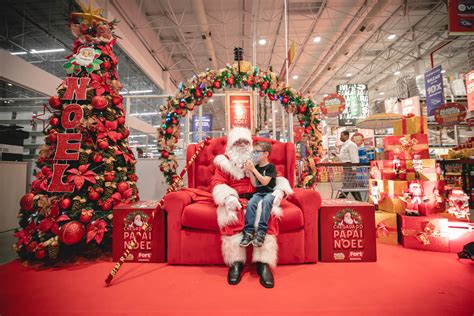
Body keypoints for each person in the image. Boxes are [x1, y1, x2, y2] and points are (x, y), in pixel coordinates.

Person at [211, 128, 293, 288]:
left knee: (266, 212)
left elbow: (277, 177)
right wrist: (227, 196)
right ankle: (236, 263)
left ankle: (263, 263)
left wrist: (279, 191)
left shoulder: (258, 159)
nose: (241, 145)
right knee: (231, 214)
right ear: (230, 145)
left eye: (245, 142)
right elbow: (217, 183)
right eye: (237, 142)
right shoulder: (224, 163)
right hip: (235, 199)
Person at [240, 141, 277, 248]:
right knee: (251, 203)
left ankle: (262, 231)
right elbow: (255, 184)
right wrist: (250, 171)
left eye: (257, 152)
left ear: (266, 154)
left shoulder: (270, 167)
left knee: (266, 202)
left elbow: (265, 182)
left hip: (270, 192)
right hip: (259, 192)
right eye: (254, 152)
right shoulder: (256, 167)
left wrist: (253, 169)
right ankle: (249, 231)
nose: (254, 154)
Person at [337, 130, 362, 201]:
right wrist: (337, 155)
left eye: (341, 136)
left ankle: (340, 198)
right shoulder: (345, 145)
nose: (340, 138)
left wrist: (354, 168)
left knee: (347, 183)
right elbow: (344, 156)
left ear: (346, 136)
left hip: (350, 166)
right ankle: (359, 201)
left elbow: (354, 157)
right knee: (352, 184)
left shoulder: (351, 145)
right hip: (346, 166)